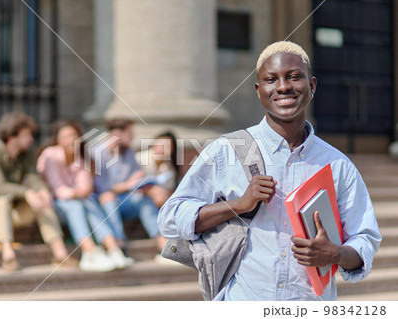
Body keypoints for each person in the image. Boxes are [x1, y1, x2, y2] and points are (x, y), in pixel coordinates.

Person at [157, 41, 382, 300]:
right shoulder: (226, 150)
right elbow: (170, 218)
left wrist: (336, 254)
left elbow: (364, 239)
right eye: (271, 79)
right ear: (259, 90)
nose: (283, 86)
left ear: (312, 86)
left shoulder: (339, 166)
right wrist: (238, 205)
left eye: (294, 77)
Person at [0, 112, 78, 271]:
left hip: (15, 212)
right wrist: (26, 192)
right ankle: (8, 255)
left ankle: (60, 254)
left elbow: (32, 176)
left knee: (42, 201)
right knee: (2, 201)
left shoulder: (27, 153)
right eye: (27, 135)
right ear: (12, 136)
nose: (31, 139)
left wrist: (42, 190)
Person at [37, 119, 134, 272]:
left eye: (74, 136)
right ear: (58, 140)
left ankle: (113, 249)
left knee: (88, 201)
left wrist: (83, 189)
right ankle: (89, 253)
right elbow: (58, 189)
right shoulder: (50, 156)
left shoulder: (82, 158)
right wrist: (77, 192)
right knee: (75, 204)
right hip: (56, 205)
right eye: (66, 137)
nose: (71, 140)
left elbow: (85, 184)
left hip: (80, 202)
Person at [94, 119, 167, 254]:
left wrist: (143, 184)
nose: (132, 137)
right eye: (130, 133)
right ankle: (119, 241)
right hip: (103, 202)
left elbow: (136, 179)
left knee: (144, 199)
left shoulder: (129, 153)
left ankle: (160, 238)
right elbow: (101, 187)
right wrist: (127, 184)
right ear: (117, 133)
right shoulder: (97, 153)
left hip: (126, 199)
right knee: (108, 197)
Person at [136, 132, 179, 208]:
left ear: (172, 150)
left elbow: (169, 191)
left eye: (167, 146)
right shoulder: (139, 159)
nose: (161, 149)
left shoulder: (169, 168)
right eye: (160, 145)